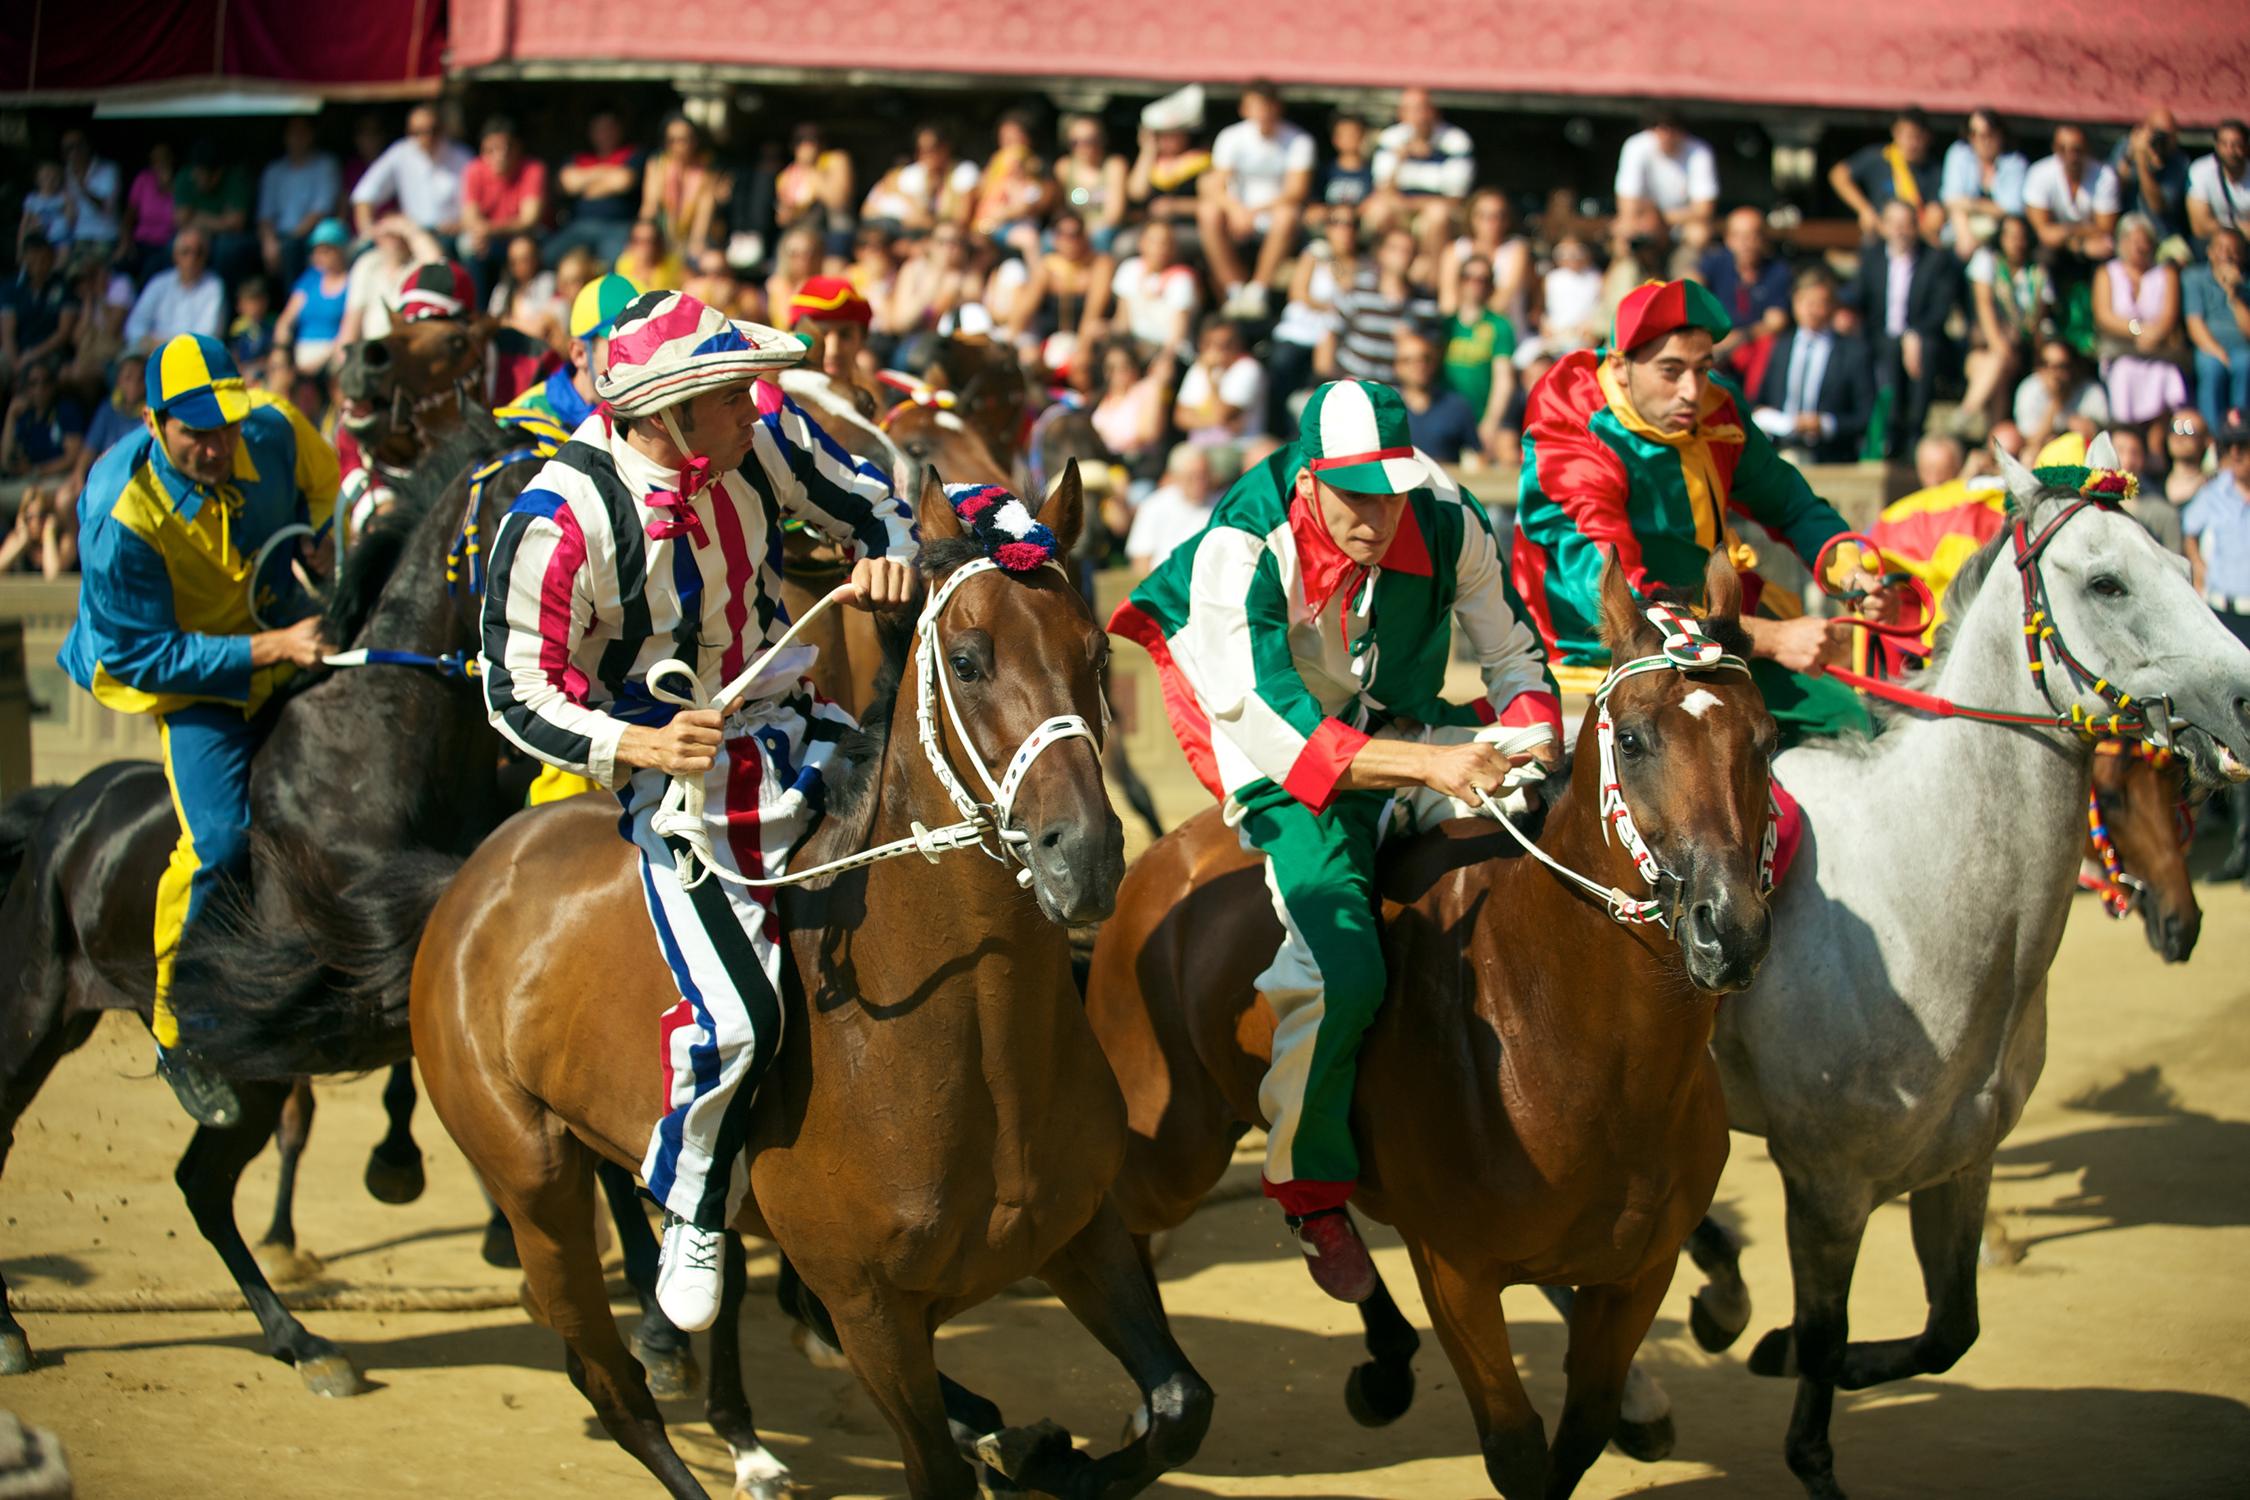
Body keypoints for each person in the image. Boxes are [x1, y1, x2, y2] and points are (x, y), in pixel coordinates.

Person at [479, 290, 916, 1329]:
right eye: (724, 395)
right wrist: (635, 742)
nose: (750, 404)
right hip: (669, 776)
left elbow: (876, 503)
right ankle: (691, 1206)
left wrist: (887, 552)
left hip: (801, 728)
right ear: (666, 418)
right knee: (738, 1015)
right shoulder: (558, 519)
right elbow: (513, 687)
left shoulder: (762, 439)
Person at [1109, 377, 1562, 1299]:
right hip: (1267, 742)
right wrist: (1433, 768)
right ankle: (1310, 1189)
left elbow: (1515, 657)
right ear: (1308, 481)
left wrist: (1533, 737)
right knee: (1342, 968)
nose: (1376, 515)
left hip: (1399, 718)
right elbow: (1285, 732)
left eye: (1389, 490)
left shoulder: (1446, 514)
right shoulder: (1239, 545)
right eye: (1353, 494)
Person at [59, 333, 339, 1126]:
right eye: (195, 434)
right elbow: (144, 654)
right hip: (189, 675)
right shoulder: (122, 515)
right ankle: (177, 1028)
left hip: (277, 621)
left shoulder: (275, 426)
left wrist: (319, 534)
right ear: (153, 423)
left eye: (226, 428)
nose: (217, 447)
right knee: (216, 841)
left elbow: (328, 486)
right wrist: (272, 647)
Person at [1511, 278, 1903, 744]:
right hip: (1606, 650)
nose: (1692, 391)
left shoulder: (1717, 406)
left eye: (1703, 367)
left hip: (1714, 631)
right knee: (1839, 727)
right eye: (1671, 370)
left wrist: (1854, 574)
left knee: (1865, 720)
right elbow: (1621, 601)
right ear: (1618, 366)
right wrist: (1775, 640)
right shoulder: (1572, 432)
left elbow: (1791, 506)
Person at [2181, 410, 2250, 879]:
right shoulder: (2211, 496)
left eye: (2242, 448)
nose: (2236, 456)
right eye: (2231, 448)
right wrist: (2201, 576)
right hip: (2227, 614)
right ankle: (2244, 849)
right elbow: (2189, 535)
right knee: (2238, 732)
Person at [1854, 198, 1961, 457]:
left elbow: (1940, 308)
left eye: (1907, 224)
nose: (1900, 231)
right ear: (1883, 226)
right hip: (1879, 338)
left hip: (1922, 337)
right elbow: (1859, 297)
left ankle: (1914, 431)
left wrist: (1915, 333)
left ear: (1916, 226)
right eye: (1894, 224)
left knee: (1925, 348)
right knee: (1879, 351)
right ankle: (1882, 432)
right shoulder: (1872, 257)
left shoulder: (1935, 260)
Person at [1202, 80, 1315, 316]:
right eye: (1255, 106)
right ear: (1244, 109)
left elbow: (1296, 191)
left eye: (1266, 106)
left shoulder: (1298, 140)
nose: (1262, 113)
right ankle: (1234, 289)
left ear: (1277, 108)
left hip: (1274, 216)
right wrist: (1236, 210)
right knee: (1208, 212)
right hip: (1238, 216)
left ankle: (1258, 291)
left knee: (1287, 215)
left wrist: (1253, 212)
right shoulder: (1231, 137)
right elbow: (1215, 185)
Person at [1753, 267, 1876, 464]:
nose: (1811, 310)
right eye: (1805, 301)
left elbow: (1865, 415)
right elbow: (1760, 401)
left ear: (1832, 306)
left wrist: (1825, 424)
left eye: (1819, 303)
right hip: (1780, 452)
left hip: (1829, 457)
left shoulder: (1854, 353)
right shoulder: (1781, 348)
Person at [496, 272, 641, 432]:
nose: (640, 359)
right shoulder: (523, 420)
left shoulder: (656, 409)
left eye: (645, 343)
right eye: (621, 346)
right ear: (579, 354)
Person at [1960, 214, 2052, 436]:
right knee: (1997, 363)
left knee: (1999, 366)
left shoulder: (2037, 273)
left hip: (2020, 351)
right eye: (2010, 236)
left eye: (2021, 237)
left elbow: (2039, 320)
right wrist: (1998, 345)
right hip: (1985, 349)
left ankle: (1967, 414)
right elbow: (1984, 306)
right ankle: (1979, 424)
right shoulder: (1987, 260)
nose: (2016, 242)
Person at [2093, 213, 2189, 425]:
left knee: (2164, 374)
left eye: (2143, 240)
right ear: (2122, 242)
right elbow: (2104, 316)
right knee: (2124, 373)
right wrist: (2138, 330)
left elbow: (2168, 316)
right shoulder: (2107, 273)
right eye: (2133, 240)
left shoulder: (2165, 273)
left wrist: (2155, 334)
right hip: (2121, 352)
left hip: (2159, 352)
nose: (2139, 246)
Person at [1269, 206, 1359, 431]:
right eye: (1337, 222)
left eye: (1350, 223)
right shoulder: (1315, 254)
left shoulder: (1360, 265)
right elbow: (1298, 293)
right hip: (1299, 335)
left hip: (1331, 341)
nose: (1344, 230)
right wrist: (1330, 305)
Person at [1366, 87, 1475, 259]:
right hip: (1401, 207)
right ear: (1401, 114)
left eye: (1422, 108)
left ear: (1434, 112)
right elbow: (1383, 189)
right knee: (1378, 212)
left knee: (1437, 215)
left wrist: (1409, 204)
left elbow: (1455, 199)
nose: (1418, 116)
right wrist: (1400, 161)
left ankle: (1432, 278)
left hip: (1435, 210)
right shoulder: (1391, 139)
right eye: (1410, 110)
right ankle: (1376, 271)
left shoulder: (1455, 140)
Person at [1321, 226, 1439, 382]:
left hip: (1393, 393)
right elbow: (1330, 334)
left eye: (1408, 250)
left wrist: (1413, 341)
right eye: (1395, 249)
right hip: (1352, 385)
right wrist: (1324, 381)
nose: (1402, 255)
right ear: (1381, 254)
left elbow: (1434, 351)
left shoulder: (1425, 303)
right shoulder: (1358, 290)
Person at [1698, 206, 1793, 384]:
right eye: (1739, 236)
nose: (1746, 243)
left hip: (1752, 351)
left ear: (1764, 239)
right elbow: (1691, 288)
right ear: (1728, 239)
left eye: (1753, 235)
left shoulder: (1777, 271)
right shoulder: (1715, 263)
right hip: (1714, 345)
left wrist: (1737, 338)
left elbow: (1775, 322)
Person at [351, 105, 471, 244]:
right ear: (409, 133)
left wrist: (461, 224)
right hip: (413, 238)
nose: (427, 137)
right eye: (418, 132)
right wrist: (369, 234)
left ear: (442, 129)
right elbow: (364, 195)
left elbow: (476, 205)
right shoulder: (400, 153)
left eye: (432, 130)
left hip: (455, 237)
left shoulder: (462, 156)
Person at [460, 116, 549, 294]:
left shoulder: (533, 169)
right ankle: (478, 313)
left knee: (522, 250)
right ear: (482, 151)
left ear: (517, 148)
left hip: (529, 236)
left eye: (505, 148)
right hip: (489, 240)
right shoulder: (474, 169)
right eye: (491, 149)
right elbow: (469, 215)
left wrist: (488, 230)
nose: (499, 155)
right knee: (471, 247)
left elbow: (529, 220)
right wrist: (481, 233)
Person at [1441, 256, 1517, 461]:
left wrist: (1491, 423)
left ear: (1490, 286)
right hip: (1447, 418)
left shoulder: (1499, 326)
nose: (1475, 283)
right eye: (1469, 277)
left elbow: (1504, 379)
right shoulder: (1445, 325)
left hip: (1482, 417)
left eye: (1482, 279)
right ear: (1459, 282)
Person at [1612, 110, 1719, 254]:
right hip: (1644, 220)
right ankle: (1632, 273)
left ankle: (1688, 272)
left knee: (1699, 234)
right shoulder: (1635, 146)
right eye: (1660, 127)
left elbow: (1704, 210)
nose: (1665, 134)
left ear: (1682, 131)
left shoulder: (1699, 151)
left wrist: (1661, 220)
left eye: (1671, 128)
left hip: (1681, 224)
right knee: (1624, 231)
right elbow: (1627, 206)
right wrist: (1649, 221)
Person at [1830, 107, 1945, 241]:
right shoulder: (1879, 158)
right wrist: (1864, 209)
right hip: (1879, 238)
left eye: (1917, 137)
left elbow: (1934, 216)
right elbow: (1838, 175)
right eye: (1907, 135)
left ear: (1927, 138)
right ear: (1895, 133)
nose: (1912, 143)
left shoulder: (1934, 170)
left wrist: (1906, 232)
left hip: (1914, 241)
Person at [549, 111, 644, 267]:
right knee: (548, 256)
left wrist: (585, 183)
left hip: (618, 226)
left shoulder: (633, 154)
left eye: (609, 128)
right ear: (591, 133)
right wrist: (608, 176)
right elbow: (566, 184)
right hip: (579, 226)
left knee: (620, 264)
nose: (604, 134)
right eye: (599, 129)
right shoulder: (578, 157)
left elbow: (623, 181)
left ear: (619, 130)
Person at [257, 117, 341, 290]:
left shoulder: (325, 165)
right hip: (279, 237)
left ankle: (294, 305)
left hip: (310, 235)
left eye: (302, 133)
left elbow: (320, 211)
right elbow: (265, 215)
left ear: (312, 135)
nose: (297, 138)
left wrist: (289, 239)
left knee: (291, 248)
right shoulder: (274, 171)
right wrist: (269, 243)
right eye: (293, 133)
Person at [2024, 124, 2121, 264]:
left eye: (2076, 149)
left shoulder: (2105, 176)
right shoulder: (2039, 174)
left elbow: (2106, 229)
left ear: (2086, 149)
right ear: (2054, 149)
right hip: (2064, 247)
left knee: (2107, 250)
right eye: (2062, 149)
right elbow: (2045, 233)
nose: (2070, 156)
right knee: (2043, 256)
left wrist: (2063, 231)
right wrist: (2080, 245)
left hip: (2091, 245)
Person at [2185, 227, 2250, 426]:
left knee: (2245, 365)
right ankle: (2212, 434)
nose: (2227, 255)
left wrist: (2234, 294)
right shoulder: (2194, 278)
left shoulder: (2246, 285)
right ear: (2210, 251)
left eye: (2233, 249)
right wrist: (2218, 351)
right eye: (2221, 248)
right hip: (2209, 346)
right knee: (2211, 368)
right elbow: (2194, 323)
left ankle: (2239, 429)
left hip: (2242, 348)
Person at [124, 227, 225, 353]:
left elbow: (208, 336)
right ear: (175, 255)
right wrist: (148, 342)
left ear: (206, 256)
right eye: (186, 252)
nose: (192, 259)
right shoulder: (159, 283)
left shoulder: (213, 286)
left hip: (189, 358)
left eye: (198, 252)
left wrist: (165, 345)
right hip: (152, 353)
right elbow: (134, 326)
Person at [786, 274, 880, 411]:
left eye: (845, 335)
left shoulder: (877, 409)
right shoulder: (780, 408)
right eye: (821, 334)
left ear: (862, 339)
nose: (833, 350)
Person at [1123, 441, 1219, 574]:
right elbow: (1141, 559)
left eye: (1203, 475)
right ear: (1176, 477)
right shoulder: (1154, 506)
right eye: (1192, 477)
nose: (1199, 482)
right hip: (1164, 584)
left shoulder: (1220, 505)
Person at [1940, 108, 2028, 251]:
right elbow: (1951, 200)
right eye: (1975, 134)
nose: (1983, 141)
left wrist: (1970, 204)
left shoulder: (2015, 163)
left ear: (2001, 134)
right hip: (1962, 234)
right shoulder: (1959, 153)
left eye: (1989, 134)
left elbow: (2012, 208)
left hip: (2002, 238)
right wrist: (1965, 236)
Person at [1174, 316, 1266, 446]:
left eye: (1226, 344)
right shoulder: (1199, 368)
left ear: (1238, 343)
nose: (1219, 351)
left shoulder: (1248, 368)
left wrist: (1210, 378)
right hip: (1200, 447)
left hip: (1237, 447)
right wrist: (1214, 420)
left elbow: (1221, 414)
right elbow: (1180, 417)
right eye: (1212, 344)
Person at [2, 233, 80, 387]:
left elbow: (63, 333)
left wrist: (32, 355)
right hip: (17, 351)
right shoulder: (10, 288)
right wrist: (16, 363)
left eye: (44, 259)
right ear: (25, 260)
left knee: (51, 374)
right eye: (35, 259)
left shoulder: (63, 287)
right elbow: (7, 334)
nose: (40, 264)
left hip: (50, 351)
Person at [1089, 336, 1175, 476]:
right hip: (1107, 467)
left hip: (1138, 467)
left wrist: (1108, 440)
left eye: (1124, 366)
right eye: (1111, 368)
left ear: (1134, 366)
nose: (1118, 373)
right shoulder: (1100, 399)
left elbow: (1149, 433)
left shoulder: (1147, 389)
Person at [0, 359, 85, 496]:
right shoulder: (25, 416)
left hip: (59, 479)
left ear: (53, 385)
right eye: (33, 383)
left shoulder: (66, 410)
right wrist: (10, 417)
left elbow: (72, 457)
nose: (40, 388)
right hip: (28, 481)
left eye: (46, 382)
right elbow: (6, 462)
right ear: (26, 388)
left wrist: (36, 470)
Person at [1391, 328, 1477, 464]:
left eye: (1425, 358)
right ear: (1397, 366)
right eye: (1408, 360)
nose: (1418, 366)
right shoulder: (1386, 412)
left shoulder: (1457, 407)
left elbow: (1477, 456)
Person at [2111, 106, 2191, 245]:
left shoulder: (2180, 163)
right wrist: (2129, 156)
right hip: (2127, 233)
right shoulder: (2126, 147)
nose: (2162, 140)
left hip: (2162, 235)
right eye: (2157, 133)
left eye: (2168, 135)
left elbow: (2158, 207)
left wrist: (2142, 161)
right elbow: (2113, 192)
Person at [2014, 337, 2110, 451]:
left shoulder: (2091, 391)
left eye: (2061, 366)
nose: (2055, 374)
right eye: (2047, 365)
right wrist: (2057, 402)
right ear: (2039, 368)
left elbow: (2103, 435)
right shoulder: (2029, 389)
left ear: (2073, 368)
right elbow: (2031, 442)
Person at [641, 114, 717, 257]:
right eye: (672, 140)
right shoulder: (657, 165)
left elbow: (704, 212)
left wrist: (696, 244)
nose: (677, 146)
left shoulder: (706, 168)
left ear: (694, 141)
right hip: (662, 235)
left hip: (694, 237)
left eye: (683, 140)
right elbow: (649, 206)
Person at [59, 129, 122, 265]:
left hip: (104, 235)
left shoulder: (109, 169)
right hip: (78, 235)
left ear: (87, 145)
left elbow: (106, 207)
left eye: (77, 145)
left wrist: (83, 187)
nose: (74, 151)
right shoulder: (66, 172)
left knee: (93, 272)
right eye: (68, 148)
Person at [2187, 119, 2250, 246]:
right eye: (2224, 144)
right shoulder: (2201, 170)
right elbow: (2199, 227)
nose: (2230, 150)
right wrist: (2239, 229)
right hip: (2211, 243)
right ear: (2216, 145)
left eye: (2236, 144)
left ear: (2246, 146)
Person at [122, 142, 179, 282]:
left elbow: (180, 218)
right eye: (155, 160)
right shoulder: (143, 179)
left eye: (163, 159)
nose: (160, 164)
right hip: (141, 241)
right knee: (120, 265)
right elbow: (130, 214)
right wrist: (125, 241)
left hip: (166, 243)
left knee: (151, 268)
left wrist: (169, 187)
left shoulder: (181, 182)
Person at [1541, 233, 1606, 349]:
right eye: (1563, 253)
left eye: (1576, 253)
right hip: (1555, 335)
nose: (1570, 258)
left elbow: (1601, 308)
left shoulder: (1597, 278)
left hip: (1584, 336)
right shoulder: (1551, 278)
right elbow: (1543, 311)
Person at [0, 484, 77, 578]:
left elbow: (53, 577)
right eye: (30, 517)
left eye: (41, 515)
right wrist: (21, 544)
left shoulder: (65, 541)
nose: (36, 523)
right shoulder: (16, 539)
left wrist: (48, 536)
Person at [1316, 112, 1376, 214]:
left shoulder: (1373, 171)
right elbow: (1315, 204)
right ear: (1335, 139)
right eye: (1344, 135)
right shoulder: (1325, 171)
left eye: (1354, 134)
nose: (1349, 139)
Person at [615, 217, 686, 293]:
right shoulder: (624, 263)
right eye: (638, 240)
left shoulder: (672, 263)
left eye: (650, 241)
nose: (644, 246)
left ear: (659, 243)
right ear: (631, 244)